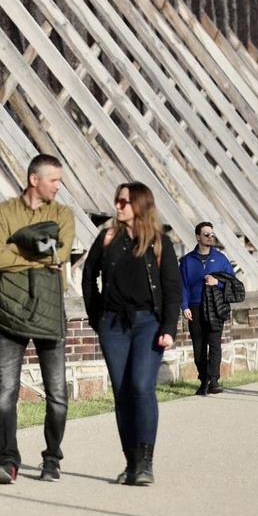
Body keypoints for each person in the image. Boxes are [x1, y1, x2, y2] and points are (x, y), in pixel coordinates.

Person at [0, 154, 76, 484]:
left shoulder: (63, 214)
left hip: (49, 310)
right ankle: (7, 459)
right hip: (11, 310)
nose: (58, 186)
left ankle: (52, 458)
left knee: (57, 393)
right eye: (54, 180)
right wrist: (37, 255)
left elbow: (59, 254)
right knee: (6, 390)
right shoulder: (3, 212)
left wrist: (18, 247)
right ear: (34, 179)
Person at [82, 183, 180, 486]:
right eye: (117, 200)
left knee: (141, 386)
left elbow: (172, 288)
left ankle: (146, 463)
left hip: (147, 324)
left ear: (139, 204)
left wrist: (168, 328)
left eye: (124, 201)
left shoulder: (159, 242)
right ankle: (131, 464)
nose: (118, 205)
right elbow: (88, 276)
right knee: (122, 393)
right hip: (112, 325)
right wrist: (97, 316)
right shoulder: (108, 237)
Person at [180, 221, 234, 395]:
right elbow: (183, 286)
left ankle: (214, 381)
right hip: (195, 307)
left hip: (215, 306)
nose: (211, 237)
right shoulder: (187, 261)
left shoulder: (221, 259)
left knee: (215, 344)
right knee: (198, 347)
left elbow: (232, 283)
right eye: (206, 234)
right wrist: (184, 306)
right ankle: (204, 379)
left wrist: (217, 282)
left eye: (212, 234)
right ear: (198, 237)